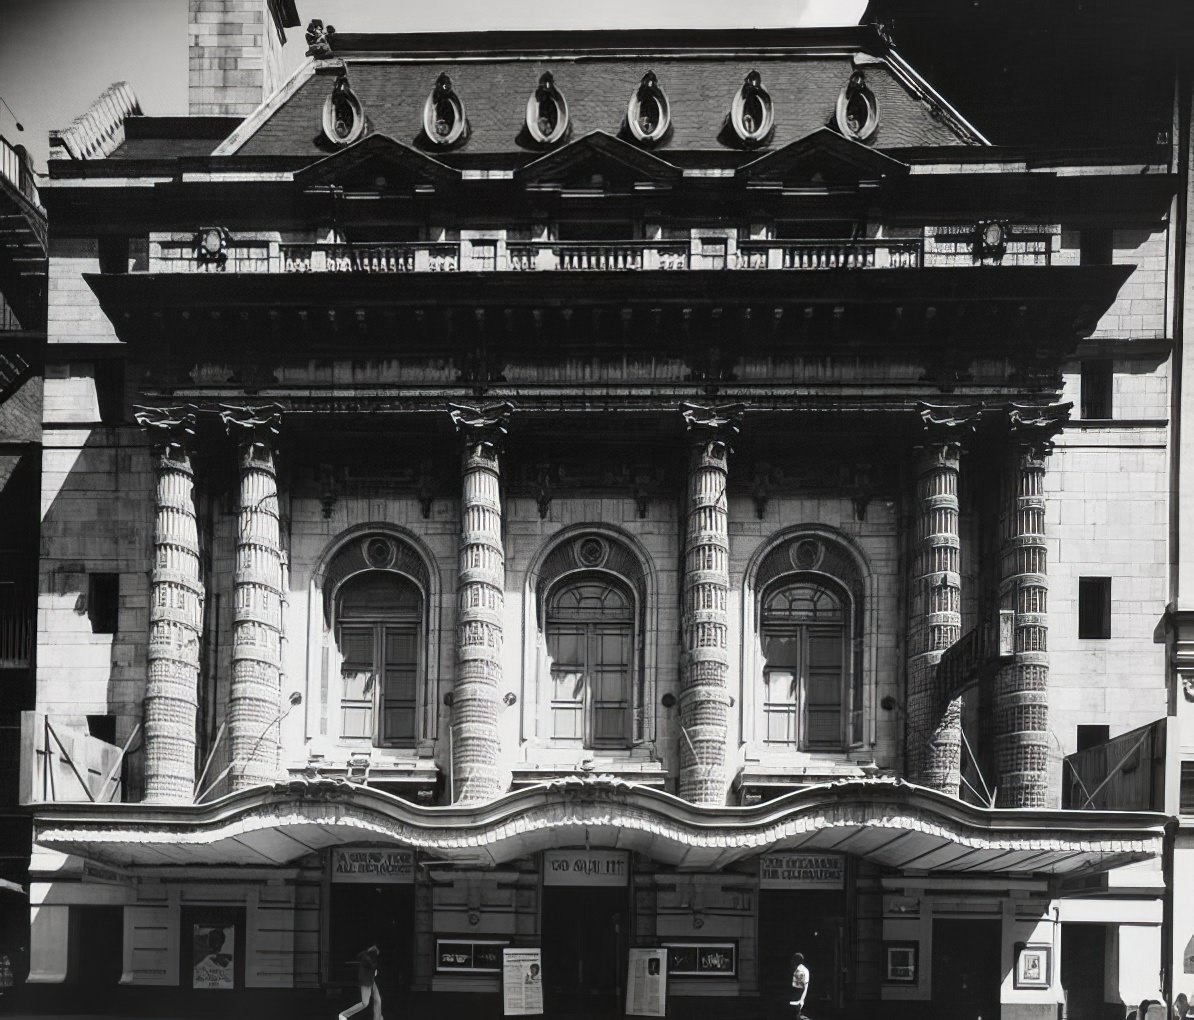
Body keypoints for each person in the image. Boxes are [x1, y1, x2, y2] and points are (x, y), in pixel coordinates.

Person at [339, 945, 382, 1020]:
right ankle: (343, 1015)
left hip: (370, 980)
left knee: (377, 1000)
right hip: (366, 982)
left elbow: (373, 967)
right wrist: (374, 969)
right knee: (365, 1003)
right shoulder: (367, 958)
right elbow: (371, 965)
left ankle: (377, 1018)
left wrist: (375, 970)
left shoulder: (369, 957)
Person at [790, 952, 810, 1018]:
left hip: (795, 1003)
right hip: (799, 1001)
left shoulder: (799, 971)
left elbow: (797, 989)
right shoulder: (805, 970)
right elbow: (805, 987)